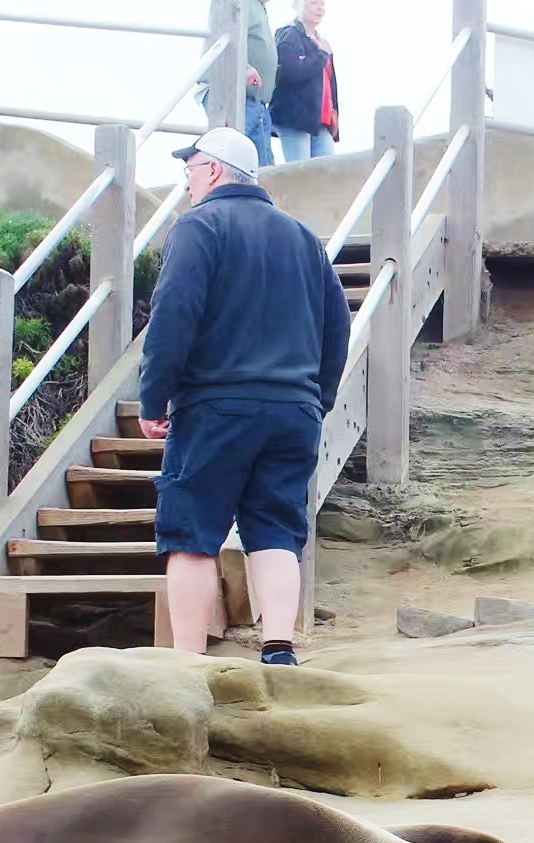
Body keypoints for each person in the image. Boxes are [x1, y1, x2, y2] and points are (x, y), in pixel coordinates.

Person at [137, 127, 350, 666]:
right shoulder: (303, 237)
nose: (186, 182)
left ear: (211, 170)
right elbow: (338, 324)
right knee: (276, 527)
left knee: (191, 532)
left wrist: (154, 399)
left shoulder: (199, 227)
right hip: (293, 411)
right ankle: (279, 648)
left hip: (216, 406)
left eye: (189, 170)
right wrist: (316, 397)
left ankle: (186, 661)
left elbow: (174, 316)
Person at [271, 0, 341, 163]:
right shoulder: (288, 34)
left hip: (321, 121)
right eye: (313, 2)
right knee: (300, 174)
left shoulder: (323, 42)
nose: (319, 8)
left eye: (322, 4)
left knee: (328, 173)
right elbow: (289, 73)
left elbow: (329, 83)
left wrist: (334, 113)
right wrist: (320, 56)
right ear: (297, 5)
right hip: (295, 118)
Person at [243, 0, 278, 168]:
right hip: (240, 96)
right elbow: (224, 35)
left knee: (262, 163)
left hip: (256, 99)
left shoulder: (257, 7)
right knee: (255, 166)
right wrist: (244, 67)